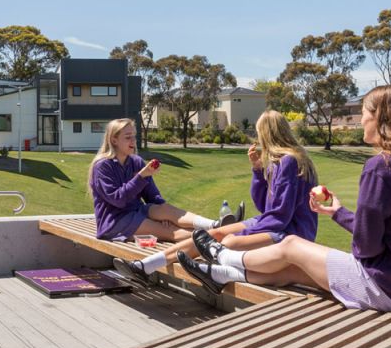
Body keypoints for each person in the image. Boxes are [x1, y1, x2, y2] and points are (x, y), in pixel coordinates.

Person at [180, 85, 391, 311]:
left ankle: (222, 256)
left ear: (380, 119)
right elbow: (385, 234)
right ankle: (217, 274)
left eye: (364, 113)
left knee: (292, 245)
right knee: (293, 269)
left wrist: (356, 249)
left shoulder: (381, 167)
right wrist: (338, 213)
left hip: (387, 288)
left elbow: (365, 248)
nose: (362, 119)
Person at [120, 110, 319, 285]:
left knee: (229, 242)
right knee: (212, 235)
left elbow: (280, 216)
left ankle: (215, 275)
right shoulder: (280, 162)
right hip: (275, 224)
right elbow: (265, 207)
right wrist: (257, 171)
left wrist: (245, 232)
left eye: (259, 133)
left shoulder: (289, 162)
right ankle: (144, 266)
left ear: (267, 134)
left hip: (291, 234)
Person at [88, 118, 223, 284]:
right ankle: (215, 241)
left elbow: (153, 197)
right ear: (114, 139)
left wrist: (164, 214)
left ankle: (214, 225)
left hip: (136, 211)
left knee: (164, 209)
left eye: (134, 136)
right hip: (115, 221)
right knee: (169, 232)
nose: (133, 141)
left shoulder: (136, 162)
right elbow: (118, 200)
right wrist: (141, 177)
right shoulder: (102, 166)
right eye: (128, 137)